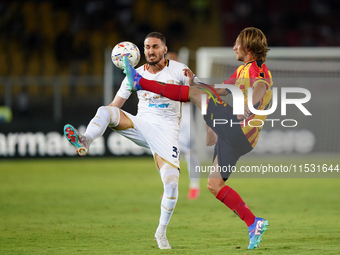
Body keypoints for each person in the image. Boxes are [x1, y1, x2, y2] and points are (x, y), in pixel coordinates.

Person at [123, 27, 271, 250]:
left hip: (238, 129)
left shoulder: (257, 69)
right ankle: (254, 223)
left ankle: (140, 82)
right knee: (214, 184)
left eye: (237, 44)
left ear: (248, 48)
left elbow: (261, 86)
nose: (233, 47)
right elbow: (218, 91)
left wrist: (249, 105)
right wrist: (196, 82)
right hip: (238, 137)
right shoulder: (242, 70)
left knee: (193, 95)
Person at [63, 32, 198, 250]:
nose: (150, 51)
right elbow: (116, 105)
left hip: (167, 133)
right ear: (141, 51)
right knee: (105, 110)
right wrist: (105, 121)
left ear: (164, 49)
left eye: (155, 46)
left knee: (172, 185)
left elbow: (197, 93)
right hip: (141, 126)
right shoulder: (133, 75)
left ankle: (161, 233)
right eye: (147, 47)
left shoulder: (179, 70)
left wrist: (193, 82)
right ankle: (85, 140)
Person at [165, 51, 200, 200]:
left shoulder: (184, 75)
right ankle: (170, 189)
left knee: (189, 152)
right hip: (168, 116)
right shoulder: (162, 77)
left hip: (183, 117)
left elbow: (194, 93)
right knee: (169, 154)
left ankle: (194, 186)